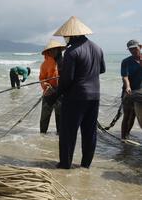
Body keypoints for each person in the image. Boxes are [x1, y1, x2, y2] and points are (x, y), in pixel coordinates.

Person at [53, 16, 106, 169]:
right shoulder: (97, 48)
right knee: (90, 132)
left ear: (72, 35)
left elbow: (66, 80)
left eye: (65, 36)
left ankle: (65, 164)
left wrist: (55, 95)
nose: (64, 39)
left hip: (76, 97)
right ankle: (85, 165)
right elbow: (102, 70)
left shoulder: (71, 51)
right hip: (94, 96)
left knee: (68, 132)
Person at [39, 40, 65, 134]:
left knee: (60, 118)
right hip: (48, 93)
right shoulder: (44, 64)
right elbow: (42, 78)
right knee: (44, 118)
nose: (53, 52)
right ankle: (42, 135)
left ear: (59, 50)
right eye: (51, 50)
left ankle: (59, 137)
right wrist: (46, 86)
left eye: (55, 50)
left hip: (60, 94)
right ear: (48, 52)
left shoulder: (65, 62)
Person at [120, 40, 142, 140]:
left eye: (135, 48)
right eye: (131, 49)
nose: (133, 51)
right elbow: (125, 76)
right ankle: (123, 137)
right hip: (129, 92)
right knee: (128, 115)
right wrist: (128, 86)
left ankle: (127, 134)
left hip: (140, 93)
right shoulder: (126, 61)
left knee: (136, 116)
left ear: (140, 47)